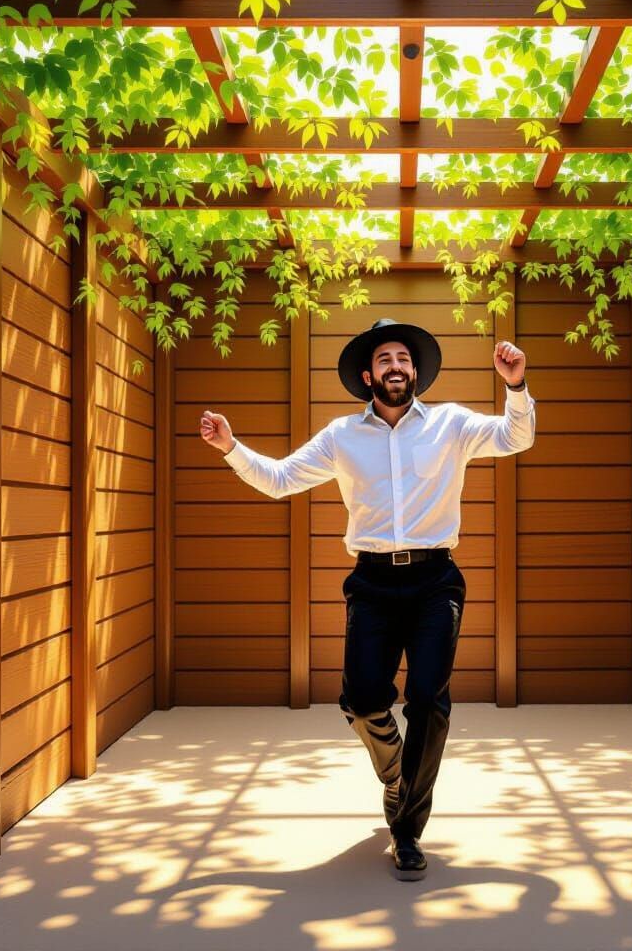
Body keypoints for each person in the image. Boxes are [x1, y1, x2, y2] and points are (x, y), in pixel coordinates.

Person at [199, 318, 536, 880]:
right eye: (385, 360)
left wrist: (516, 387)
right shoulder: (340, 436)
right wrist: (231, 447)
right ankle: (397, 773)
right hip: (373, 583)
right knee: (361, 698)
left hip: (436, 582)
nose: (396, 367)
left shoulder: (451, 424)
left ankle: (406, 829)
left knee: (428, 700)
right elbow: (280, 478)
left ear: (416, 370)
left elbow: (515, 437)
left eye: (403, 358)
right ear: (367, 375)